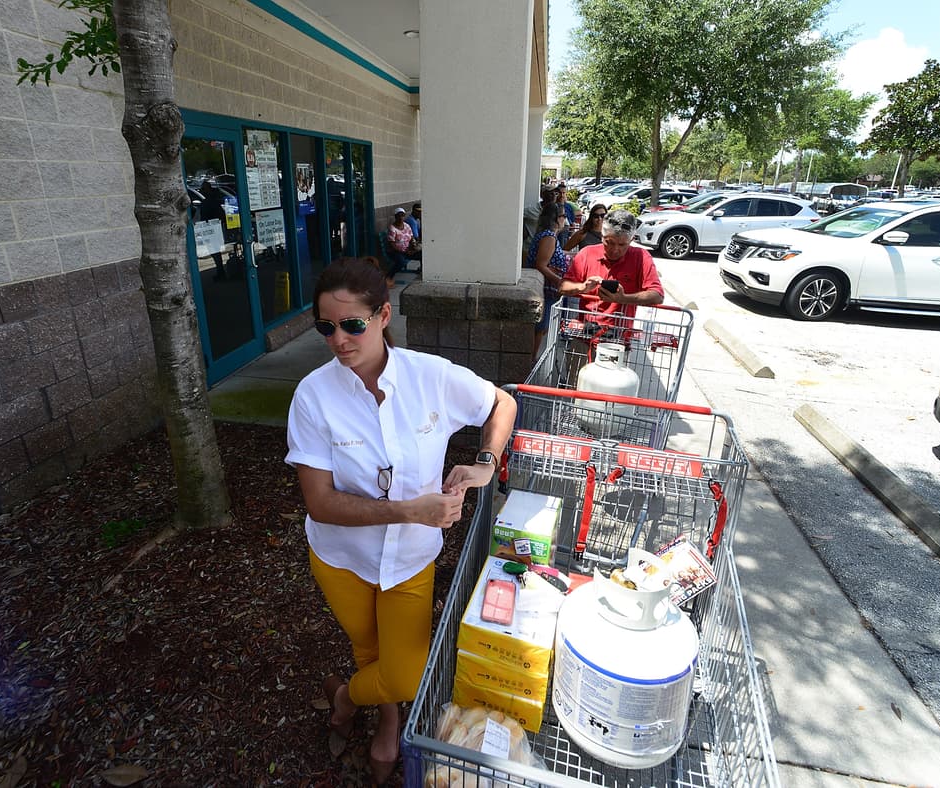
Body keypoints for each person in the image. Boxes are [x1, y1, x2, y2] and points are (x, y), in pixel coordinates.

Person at [285, 257, 517, 784]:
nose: (339, 340)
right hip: (342, 559)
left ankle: (344, 698)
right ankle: (387, 725)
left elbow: (501, 403)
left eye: (352, 324)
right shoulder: (313, 396)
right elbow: (320, 503)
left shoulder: (429, 376)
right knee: (368, 648)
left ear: (384, 315)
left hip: (411, 559)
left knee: (406, 671)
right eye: (326, 327)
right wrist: (411, 510)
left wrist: (485, 464)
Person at [560, 208, 665, 324]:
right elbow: (563, 287)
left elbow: (657, 295)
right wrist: (583, 287)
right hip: (585, 330)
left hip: (620, 334)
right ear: (602, 236)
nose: (615, 250)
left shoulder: (641, 257)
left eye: (622, 245)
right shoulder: (586, 253)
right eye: (609, 242)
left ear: (631, 240)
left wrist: (623, 298)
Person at [526, 203, 570, 359]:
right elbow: (541, 264)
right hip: (547, 289)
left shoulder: (549, 236)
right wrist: (560, 281)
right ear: (556, 219)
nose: (566, 219)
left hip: (549, 288)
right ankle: (531, 360)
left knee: (542, 327)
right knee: (541, 327)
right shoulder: (549, 237)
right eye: (564, 216)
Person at [384, 207, 415, 279]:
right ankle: (389, 276)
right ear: (395, 216)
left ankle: (421, 270)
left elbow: (411, 237)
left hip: (407, 250)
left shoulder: (407, 226)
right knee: (401, 262)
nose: (401, 217)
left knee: (421, 254)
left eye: (402, 215)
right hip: (395, 251)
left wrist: (413, 245)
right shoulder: (392, 228)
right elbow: (392, 244)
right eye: (399, 215)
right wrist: (404, 251)